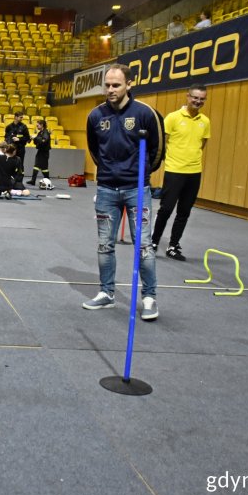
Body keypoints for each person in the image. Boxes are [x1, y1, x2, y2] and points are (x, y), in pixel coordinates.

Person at [83, 63, 163, 321]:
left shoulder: (145, 114)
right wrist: (109, 170)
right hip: (106, 189)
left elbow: (157, 149)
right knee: (105, 245)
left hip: (137, 189)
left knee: (144, 246)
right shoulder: (96, 116)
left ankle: (149, 297)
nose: (110, 90)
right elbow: (95, 150)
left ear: (129, 84)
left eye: (116, 85)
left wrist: (140, 173)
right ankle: (106, 293)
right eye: (107, 85)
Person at [151, 84, 211, 261]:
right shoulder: (173, 118)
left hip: (194, 172)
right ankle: (153, 242)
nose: (198, 101)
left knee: (184, 211)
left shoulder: (205, 121)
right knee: (166, 209)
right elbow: (163, 142)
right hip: (174, 171)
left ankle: (173, 246)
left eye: (202, 99)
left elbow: (202, 144)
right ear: (188, 96)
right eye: (195, 98)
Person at [4, 111, 31, 176]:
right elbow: (6, 137)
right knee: (10, 163)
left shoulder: (24, 126)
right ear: (15, 117)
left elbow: (27, 138)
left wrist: (19, 139)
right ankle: (10, 179)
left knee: (20, 164)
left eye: (22, 117)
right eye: (20, 117)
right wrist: (8, 144)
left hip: (20, 148)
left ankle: (19, 181)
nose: (22, 119)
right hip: (11, 149)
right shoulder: (9, 127)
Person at [28, 119, 51, 187]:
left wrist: (36, 138)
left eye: (38, 125)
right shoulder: (40, 133)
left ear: (42, 125)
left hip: (44, 152)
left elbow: (44, 140)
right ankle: (47, 180)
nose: (37, 126)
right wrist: (34, 138)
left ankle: (33, 180)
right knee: (44, 168)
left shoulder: (45, 132)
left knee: (37, 166)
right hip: (41, 151)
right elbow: (37, 142)